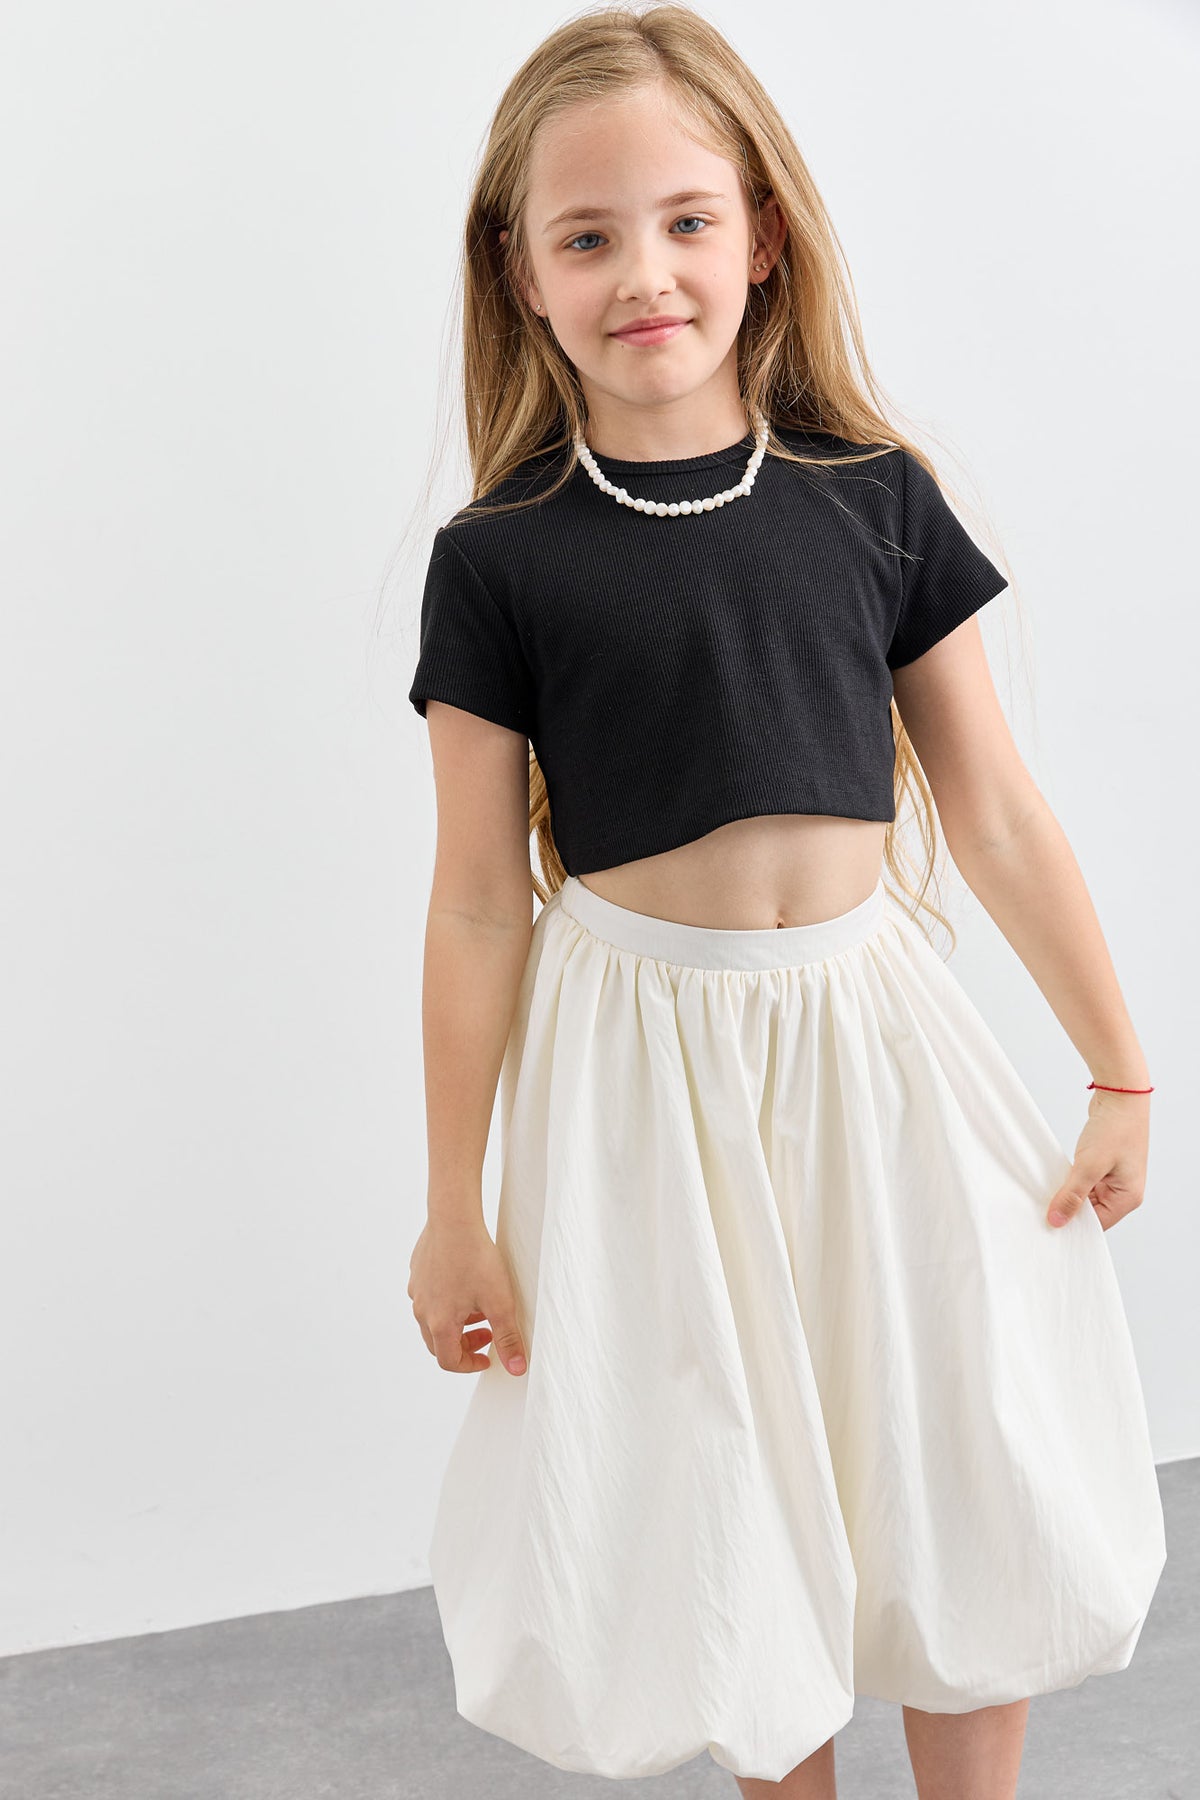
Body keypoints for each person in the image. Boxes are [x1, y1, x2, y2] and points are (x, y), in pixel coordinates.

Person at [403, 7, 1167, 1795]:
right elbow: (476, 907)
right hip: (643, 1078)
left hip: (875, 1046)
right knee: (731, 1489)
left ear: (760, 234)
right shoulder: (500, 561)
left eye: (686, 221)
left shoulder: (872, 498)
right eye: (587, 236)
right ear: (521, 276)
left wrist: (1119, 1067)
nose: (643, 273)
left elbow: (995, 812)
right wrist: (454, 1208)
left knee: (956, 1449)